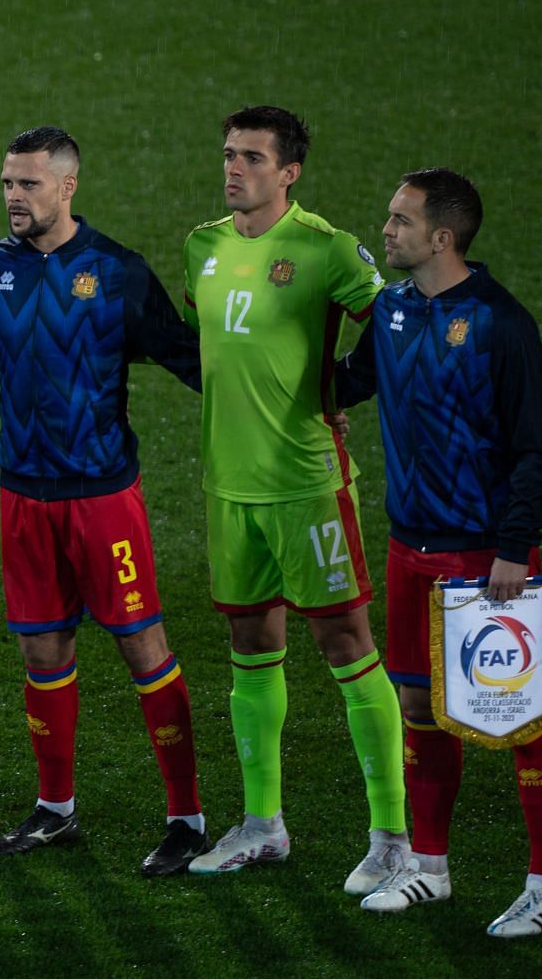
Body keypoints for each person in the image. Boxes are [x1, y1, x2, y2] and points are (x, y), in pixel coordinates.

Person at [333, 169, 542, 937]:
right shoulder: (395, 309)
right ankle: (429, 866)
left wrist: (511, 549)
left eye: (400, 221)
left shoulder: (503, 322)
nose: (387, 230)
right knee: (419, 710)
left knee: (518, 717)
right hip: (411, 547)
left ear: (442, 236)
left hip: (485, 558)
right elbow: (346, 385)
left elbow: (536, 448)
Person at [180, 106, 406, 891]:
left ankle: (392, 835)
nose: (233, 168)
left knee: (346, 644)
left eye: (250, 157)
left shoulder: (323, 248)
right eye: (228, 155)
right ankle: (263, 823)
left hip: (306, 484)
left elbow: (396, 321)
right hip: (227, 484)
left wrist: (342, 386)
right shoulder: (202, 247)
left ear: (289, 171)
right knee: (249, 647)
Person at [0, 127, 208, 874]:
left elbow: (189, 357)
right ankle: (55, 808)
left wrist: (307, 392)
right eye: (9, 183)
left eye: (30, 184)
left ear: (68, 186)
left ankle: (186, 815)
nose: (15, 196)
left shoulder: (116, 272)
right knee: (42, 651)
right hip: (24, 493)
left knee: (144, 648)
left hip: (102, 496)